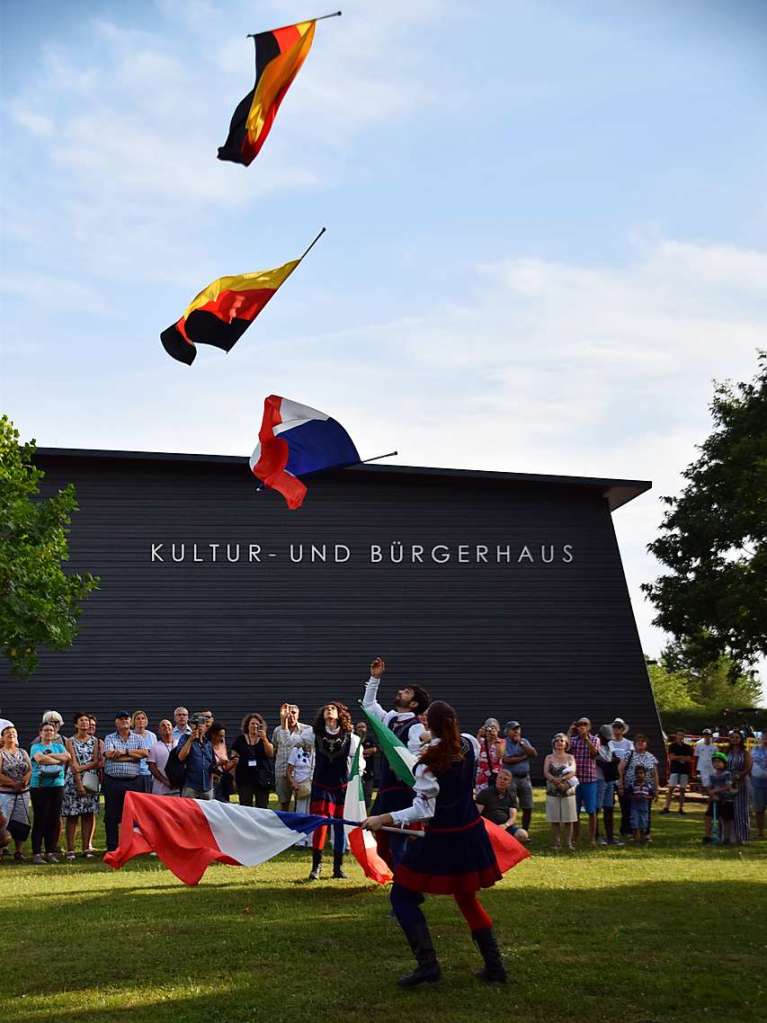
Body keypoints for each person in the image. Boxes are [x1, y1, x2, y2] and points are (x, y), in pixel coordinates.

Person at [364, 700, 509, 987]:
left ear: (428, 725)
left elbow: (424, 810)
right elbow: (453, 747)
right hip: (470, 834)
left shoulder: (428, 764)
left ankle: (428, 966)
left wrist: (384, 817)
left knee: (402, 896)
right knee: (466, 897)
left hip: (443, 840)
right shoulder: (469, 744)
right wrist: (435, 738)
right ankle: (495, 966)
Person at [362, 657, 430, 868]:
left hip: (402, 790)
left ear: (414, 704)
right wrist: (374, 679)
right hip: (386, 788)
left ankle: (406, 880)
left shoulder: (416, 727)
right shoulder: (390, 718)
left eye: (407, 692)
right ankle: (403, 876)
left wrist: (403, 764)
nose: (401, 692)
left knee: (397, 839)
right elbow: (368, 705)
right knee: (381, 839)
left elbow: (416, 758)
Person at [308, 701, 361, 881]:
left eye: (333, 708)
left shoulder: (350, 736)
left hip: (341, 786)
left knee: (339, 825)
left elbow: (358, 760)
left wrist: (357, 776)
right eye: (326, 709)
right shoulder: (313, 733)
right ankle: (316, 867)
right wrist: (284, 723)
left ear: (339, 714)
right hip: (321, 784)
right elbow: (291, 741)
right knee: (320, 824)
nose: (329, 710)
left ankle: (338, 868)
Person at [102, 711, 147, 851]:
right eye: (121, 719)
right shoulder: (109, 738)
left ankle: (134, 845)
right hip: (113, 782)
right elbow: (109, 755)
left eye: (126, 719)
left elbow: (144, 753)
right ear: (116, 722)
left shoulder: (138, 738)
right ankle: (112, 846)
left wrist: (124, 752)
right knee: (111, 816)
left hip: (133, 782)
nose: (124, 721)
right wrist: (133, 755)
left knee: (134, 815)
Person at [29, 722, 70, 864]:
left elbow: (67, 757)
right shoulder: (36, 747)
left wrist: (50, 759)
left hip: (57, 786)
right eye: (46, 730)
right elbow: (39, 758)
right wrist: (57, 761)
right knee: (40, 818)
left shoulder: (59, 746)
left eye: (51, 730)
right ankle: (37, 853)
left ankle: (50, 851)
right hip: (39, 787)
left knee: (54, 819)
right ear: (40, 733)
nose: (48, 732)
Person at [62, 712, 100, 860]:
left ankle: (86, 848)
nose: (85, 723)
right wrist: (79, 782)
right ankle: (71, 849)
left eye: (86, 720)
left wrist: (81, 768)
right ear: (76, 724)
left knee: (88, 815)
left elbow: (96, 761)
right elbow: (72, 763)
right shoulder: (69, 741)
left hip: (91, 779)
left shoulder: (96, 741)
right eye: (81, 721)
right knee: (72, 816)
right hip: (73, 781)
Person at [617, 735, 659, 840]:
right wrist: (621, 785)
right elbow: (620, 769)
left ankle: (646, 833)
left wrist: (656, 789)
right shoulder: (629, 754)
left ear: (646, 744)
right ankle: (630, 832)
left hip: (646, 789)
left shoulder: (651, 757)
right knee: (629, 811)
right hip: (631, 788)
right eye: (638, 741)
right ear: (634, 744)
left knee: (646, 811)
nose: (640, 743)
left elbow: (655, 774)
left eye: (643, 741)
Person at [0, 725, 32, 861]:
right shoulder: (0, 753)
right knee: (3, 822)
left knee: (21, 822)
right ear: (2, 737)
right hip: (6, 793)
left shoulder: (23, 752)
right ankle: (1, 850)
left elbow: (30, 769)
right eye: (7, 733)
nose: (11, 734)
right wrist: (13, 784)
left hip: (23, 793)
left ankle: (19, 851)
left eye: (13, 732)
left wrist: (24, 782)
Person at [272, 704, 312, 811]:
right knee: (284, 802)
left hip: (300, 773)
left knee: (301, 801)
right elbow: (275, 748)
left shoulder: (307, 730)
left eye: (293, 713)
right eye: (288, 713)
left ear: (298, 714)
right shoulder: (277, 730)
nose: (291, 715)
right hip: (282, 770)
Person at [568, 717, 601, 847]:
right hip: (575, 780)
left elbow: (594, 754)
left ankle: (592, 838)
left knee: (591, 810)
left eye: (585, 724)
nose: (582, 726)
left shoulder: (595, 739)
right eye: (579, 724)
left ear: (589, 727)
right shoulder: (573, 740)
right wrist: (570, 732)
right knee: (574, 811)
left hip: (589, 780)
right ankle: (575, 837)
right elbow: (564, 748)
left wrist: (586, 739)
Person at [231, 713, 275, 808]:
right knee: (245, 806)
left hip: (261, 779)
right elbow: (233, 755)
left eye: (257, 724)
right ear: (247, 725)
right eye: (252, 723)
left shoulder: (264, 739)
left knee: (262, 806)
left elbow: (270, 753)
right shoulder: (240, 739)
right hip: (244, 778)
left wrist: (264, 738)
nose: (254, 726)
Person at [543, 733, 578, 851]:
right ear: (553, 743)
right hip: (552, 790)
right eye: (557, 740)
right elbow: (546, 772)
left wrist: (562, 780)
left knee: (569, 819)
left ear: (566, 743)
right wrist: (554, 780)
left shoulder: (570, 757)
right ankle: (556, 843)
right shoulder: (548, 757)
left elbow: (573, 772)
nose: (559, 742)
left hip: (568, 790)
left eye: (562, 740)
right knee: (555, 819)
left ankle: (568, 843)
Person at [501, 721, 537, 832]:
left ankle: (525, 831)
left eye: (518, 729)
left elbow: (534, 753)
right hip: (511, 778)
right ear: (507, 731)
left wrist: (522, 745)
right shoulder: (504, 743)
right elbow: (507, 759)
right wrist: (523, 757)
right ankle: (510, 830)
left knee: (528, 806)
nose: (516, 731)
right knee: (510, 806)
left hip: (525, 778)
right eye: (513, 729)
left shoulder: (524, 741)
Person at [475, 767, 528, 841]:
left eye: (505, 779)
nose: (502, 781)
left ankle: (510, 849)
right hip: (488, 826)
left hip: (505, 826)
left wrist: (505, 825)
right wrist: (488, 826)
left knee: (523, 834)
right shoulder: (485, 793)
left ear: (509, 783)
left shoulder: (512, 795)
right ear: (496, 779)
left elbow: (513, 817)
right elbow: (477, 815)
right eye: (500, 778)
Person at [177, 712, 216, 800]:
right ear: (191, 726)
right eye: (195, 724)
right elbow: (181, 757)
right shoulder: (185, 738)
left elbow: (212, 763)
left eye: (201, 723)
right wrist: (191, 740)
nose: (199, 726)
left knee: (207, 813)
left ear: (206, 726)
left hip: (207, 787)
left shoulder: (208, 743)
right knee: (188, 813)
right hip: (191, 787)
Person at [595, 724, 622, 846]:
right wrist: (611, 761)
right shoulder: (595, 743)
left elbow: (615, 758)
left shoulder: (608, 744)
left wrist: (611, 761)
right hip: (599, 779)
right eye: (606, 738)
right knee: (596, 809)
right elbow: (600, 761)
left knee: (609, 808)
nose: (608, 740)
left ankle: (610, 836)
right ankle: (596, 835)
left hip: (609, 779)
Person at [609, 718, 635, 837]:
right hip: (610, 775)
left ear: (623, 729)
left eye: (619, 727)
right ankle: (609, 831)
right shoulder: (609, 742)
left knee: (625, 805)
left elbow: (630, 757)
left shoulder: (629, 743)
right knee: (609, 805)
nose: (617, 729)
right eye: (615, 727)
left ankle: (626, 829)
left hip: (625, 775)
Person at [703, 752, 736, 844]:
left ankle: (726, 838)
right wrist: (711, 794)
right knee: (708, 817)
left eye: (719, 762)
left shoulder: (727, 774)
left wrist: (715, 791)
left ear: (724, 763)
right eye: (714, 762)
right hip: (715, 799)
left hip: (726, 800)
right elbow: (710, 787)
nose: (716, 764)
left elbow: (728, 786)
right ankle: (707, 836)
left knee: (726, 819)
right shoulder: (712, 775)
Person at [287, 737, 314, 845]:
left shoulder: (317, 751)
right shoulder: (296, 750)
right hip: (301, 786)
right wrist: (293, 782)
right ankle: (300, 841)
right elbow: (289, 770)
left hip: (313, 784)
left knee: (312, 812)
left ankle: (311, 840)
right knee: (300, 812)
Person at [726, 730, 752, 844]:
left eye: (737, 737)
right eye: (732, 737)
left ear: (741, 739)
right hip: (727, 781)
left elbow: (748, 768)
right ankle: (729, 836)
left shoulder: (745, 753)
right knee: (728, 809)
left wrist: (739, 776)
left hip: (741, 782)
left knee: (741, 810)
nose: (734, 739)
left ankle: (742, 837)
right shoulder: (727, 752)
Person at [662, 730, 694, 814]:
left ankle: (681, 808)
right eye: (679, 735)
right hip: (675, 770)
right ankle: (666, 807)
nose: (680, 737)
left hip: (684, 770)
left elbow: (689, 759)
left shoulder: (688, 747)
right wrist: (682, 757)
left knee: (682, 790)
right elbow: (671, 757)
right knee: (671, 789)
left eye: (682, 735)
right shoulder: (672, 746)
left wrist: (678, 757)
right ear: (676, 736)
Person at [147, 719, 180, 796]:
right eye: (163, 725)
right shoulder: (154, 747)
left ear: (172, 729)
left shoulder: (179, 743)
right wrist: (166, 782)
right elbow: (152, 768)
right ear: (159, 731)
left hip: (179, 789)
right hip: (161, 791)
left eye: (168, 725)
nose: (166, 727)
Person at [208, 721, 237, 802]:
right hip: (213, 780)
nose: (222, 739)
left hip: (223, 779)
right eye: (220, 736)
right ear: (213, 735)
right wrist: (218, 763)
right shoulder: (207, 746)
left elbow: (225, 767)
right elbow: (206, 765)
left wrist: (233, 763)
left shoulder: (222, 745)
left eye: (223, 736)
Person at [626, 765, 654, 844]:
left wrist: (646, 797)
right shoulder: (632, 785)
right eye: (637, 773)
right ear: (635, 774)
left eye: (641, 773)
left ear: (645, 774)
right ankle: (636, 839)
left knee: (643, 822)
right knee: (635, 822)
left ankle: (643, 838)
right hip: (635, 807)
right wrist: (635, 797)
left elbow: (652, 795)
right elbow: (628, 795)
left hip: (644, 807)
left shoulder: (648, 785)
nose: (639, 775)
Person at [131, 711, 156, 794]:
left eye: (143, 718)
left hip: (148, 773)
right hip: (134, 774)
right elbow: (129, 752)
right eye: (138, 719)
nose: (140, 721)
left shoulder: (152, 736)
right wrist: (144, 753)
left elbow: (154, 754)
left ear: (146, 721)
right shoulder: (130, 735)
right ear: (133, 721)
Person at [476, 718, 505, 791]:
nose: (490, 731)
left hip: (496, 776)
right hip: (481, 778)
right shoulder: (481, 741)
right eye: (488, 728)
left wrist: (495, 739)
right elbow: (476, 750)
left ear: (498, 729)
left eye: (493, 728)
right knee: (481, 799)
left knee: (495, 799)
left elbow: (500, 755)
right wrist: (479, 734)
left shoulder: (502, 742)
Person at [354, 721, 378, 810]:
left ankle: (366, 809)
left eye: (363, 727)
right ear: (356, 729)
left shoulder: (370, 738)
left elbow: (374, 749)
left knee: (368, 792)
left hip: (369, 770)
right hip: (356, 771)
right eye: (359, 727)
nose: (361, 729)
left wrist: (360, 752)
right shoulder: (354, 739)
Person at [750, 731, 767, 839]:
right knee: (759, 809)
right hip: (757, 782)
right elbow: (749, 763)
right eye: (764, 736)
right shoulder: (754, 750)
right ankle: (760, 833)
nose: (765, 739)